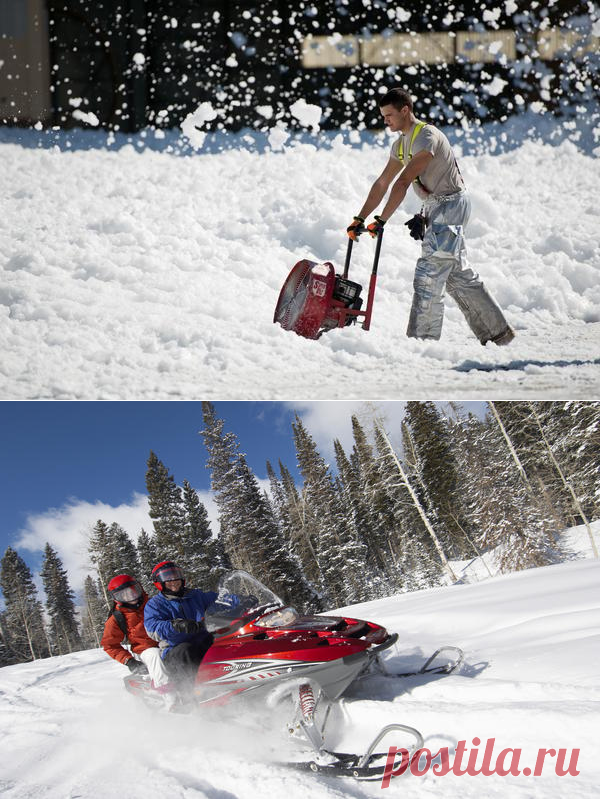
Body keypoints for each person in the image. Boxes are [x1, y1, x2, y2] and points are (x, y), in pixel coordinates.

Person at [347, 86, 514, 346]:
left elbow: (402, 182)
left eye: (389, 115)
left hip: (451, 204)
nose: (385, 121)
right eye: (383, 116)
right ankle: (498, 333)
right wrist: (360, 218)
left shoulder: (426, 136)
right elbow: (382, 182)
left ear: (405, 110)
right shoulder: (400, 145)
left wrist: (381, 220)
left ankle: (421, 342)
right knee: (456, 273)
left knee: (430, 272)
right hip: (437, 206)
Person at [143, 561, 218, 698]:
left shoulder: (196, 595)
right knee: (186, 651)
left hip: (203, 638)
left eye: (176, 576)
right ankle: (189, 697)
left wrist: (239, 600)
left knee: (223, 640)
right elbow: (153, 628)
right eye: (167, 578)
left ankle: (228, 682)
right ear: (159, 582)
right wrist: (176, 625)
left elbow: (219, 600)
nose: (173, 581)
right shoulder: (155, 604)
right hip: (174, 648)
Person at [101, 574, 176, 708]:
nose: (131, 596)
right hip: (144, 650)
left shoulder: (153, 604)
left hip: (167, 642)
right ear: (117, 598)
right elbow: (109, 645)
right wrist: (129, 661)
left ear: (139, 588)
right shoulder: (117, 617)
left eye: (133, 590)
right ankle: (170, 699)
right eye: (124, 595)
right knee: (155, 655)